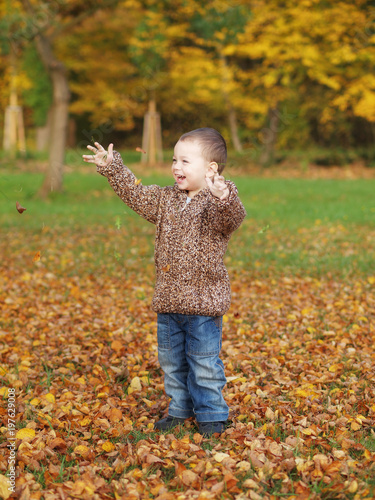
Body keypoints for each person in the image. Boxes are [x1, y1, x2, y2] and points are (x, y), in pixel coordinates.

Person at [83, 128, 246, 436]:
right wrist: (112, 168)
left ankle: (212, 414)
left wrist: (223, 194)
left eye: (185, 161)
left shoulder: (216, 202)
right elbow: (135, 193)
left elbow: (231, 219)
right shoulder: (165, 199)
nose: (176, 167)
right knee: (172, 363)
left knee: (204, 363)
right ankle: (179, 409)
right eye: (174, 159)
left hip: (202, 305)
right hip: (168, 302)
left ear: (211, 169)